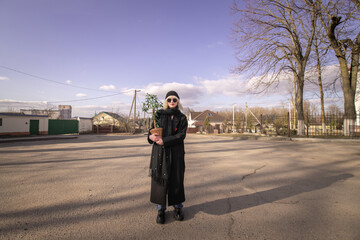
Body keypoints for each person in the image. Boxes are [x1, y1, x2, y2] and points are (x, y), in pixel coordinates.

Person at [147, 90, 188, 224]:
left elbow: (181, 136)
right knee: (160, 180)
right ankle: (160, 210)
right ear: (166, 101)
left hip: (176, 153)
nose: (171, 102)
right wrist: (150, 136)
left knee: (176, 179)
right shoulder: (158, 115)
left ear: (178, 102)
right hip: (160, 153)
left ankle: (177, 208)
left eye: (174, 100)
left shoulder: (182, 118)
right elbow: (152, 130)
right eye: (169, 99)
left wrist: (165, 140)